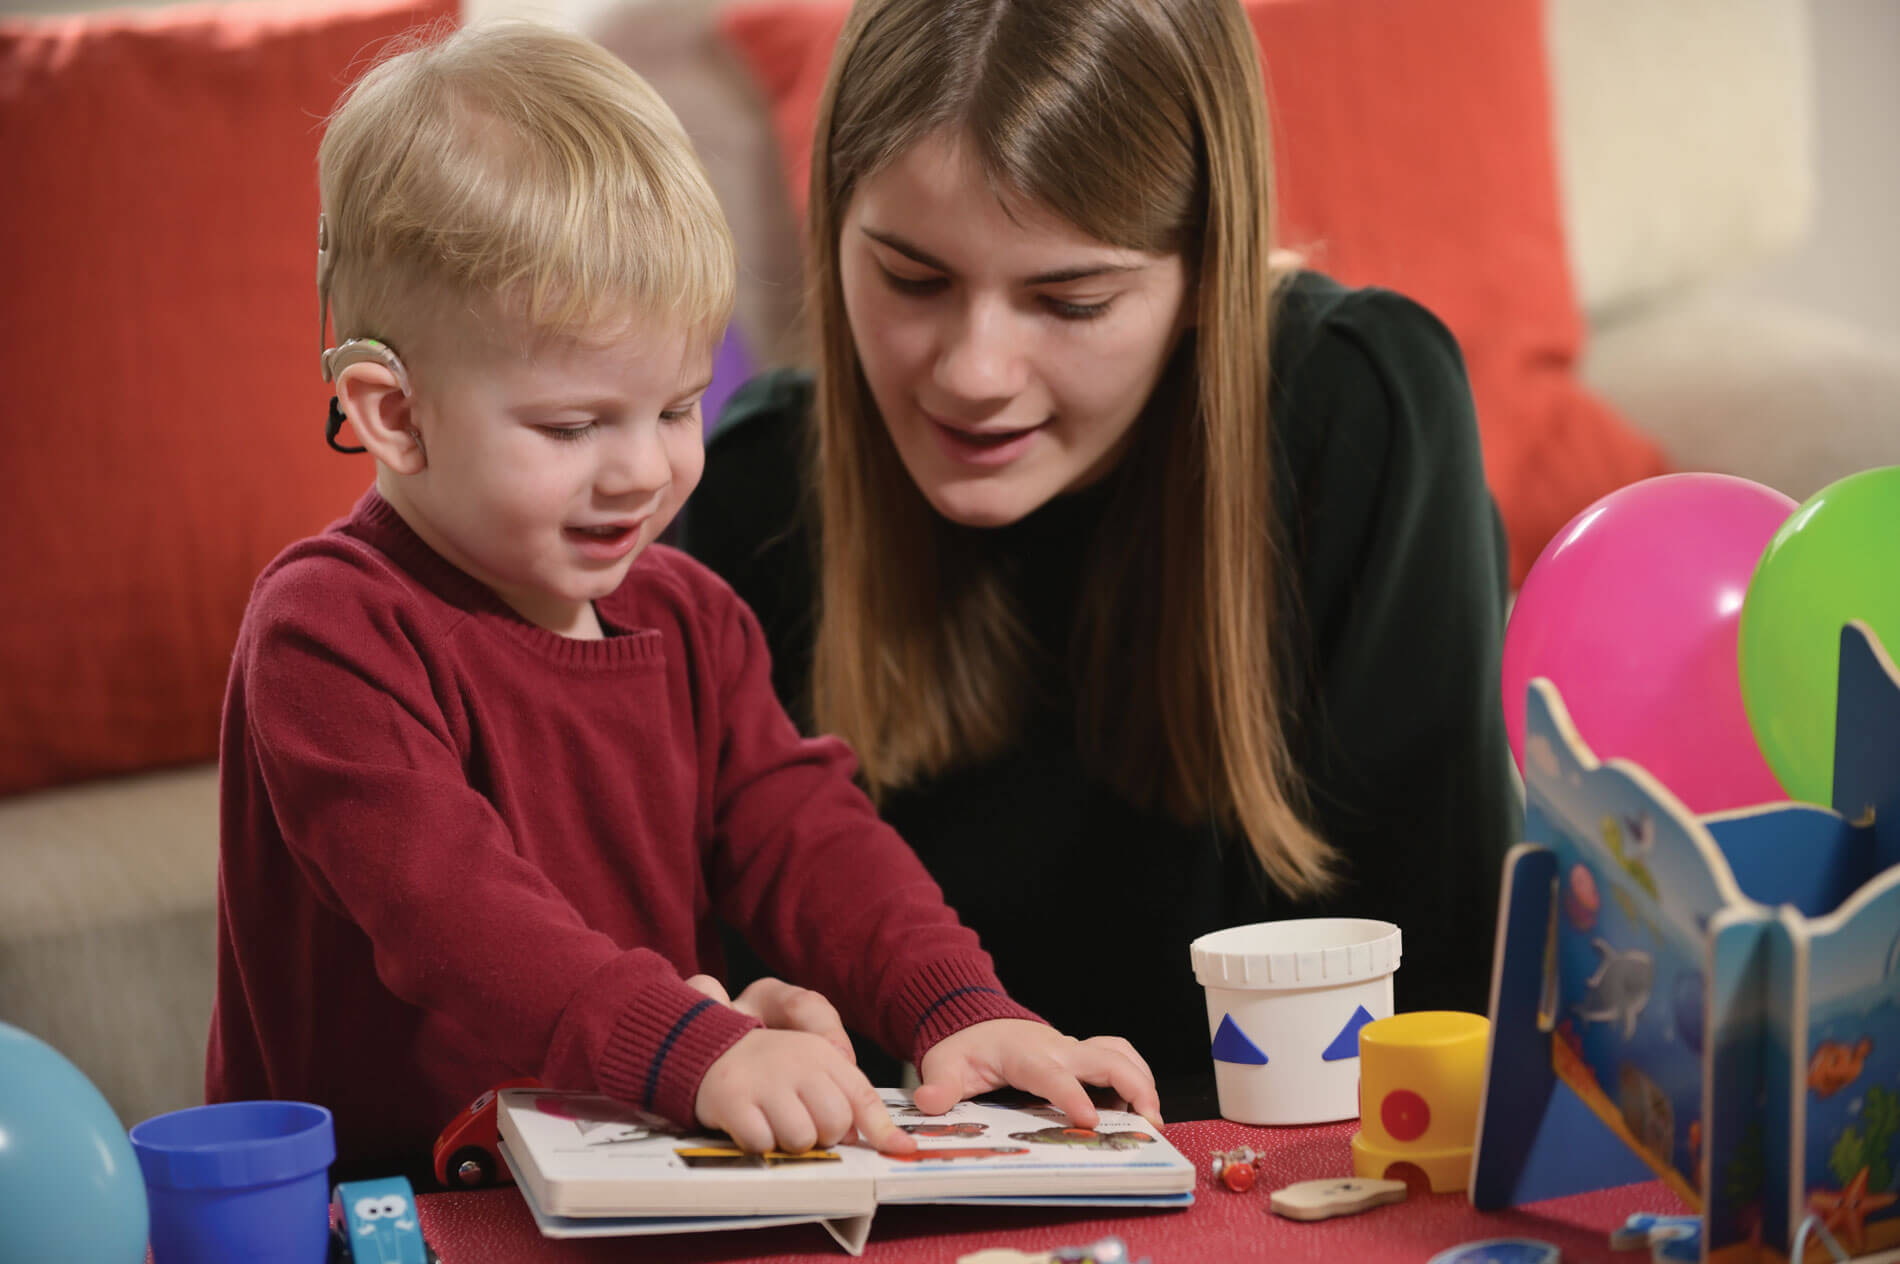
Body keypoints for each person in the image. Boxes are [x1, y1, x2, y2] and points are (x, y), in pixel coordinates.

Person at [205, 20, 1157, 1173]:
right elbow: (452, 913)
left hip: (624, 1179)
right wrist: (693, 1046)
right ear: (391, 414)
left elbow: (809, 838)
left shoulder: (689, 616)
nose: (645, 470)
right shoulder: (329, 630)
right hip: (388, 1210)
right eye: (572, 426)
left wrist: (957, 1006)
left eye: (672, 408)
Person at [684, 0, 1522, 1112]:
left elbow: (1445, 1003)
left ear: (1200, 276)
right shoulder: (749, 489)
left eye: (1069, 299)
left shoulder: (1356, 413)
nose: (975, 370)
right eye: (911, 278)